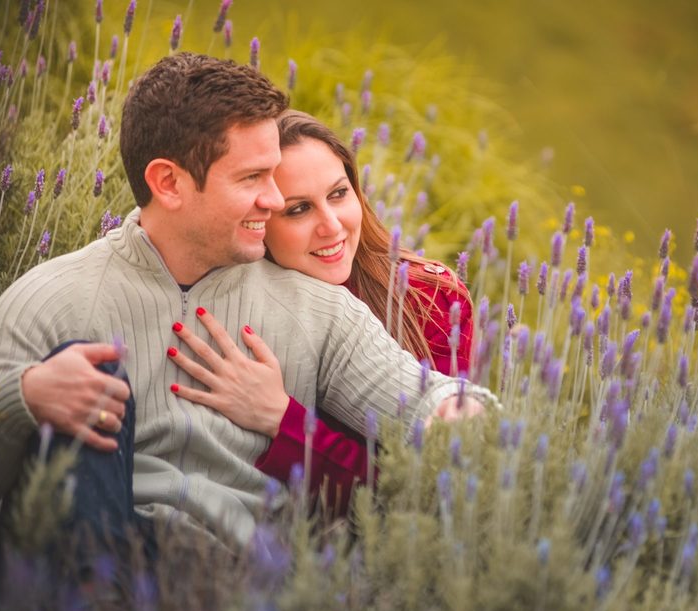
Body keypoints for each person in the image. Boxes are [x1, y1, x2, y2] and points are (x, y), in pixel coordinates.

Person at [0, 53, 492, 560]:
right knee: (86, 374)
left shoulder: (322, 313)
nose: (272, 199)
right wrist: (22, 397)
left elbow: (428, 399)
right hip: (84, 583)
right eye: (252, 179)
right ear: (169, 183)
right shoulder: (48, 301)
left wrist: (456, 416)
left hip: (239, 595)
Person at [167, 111, 473, 512]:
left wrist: (282, 419)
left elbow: (434, 489)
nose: (332, 226)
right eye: (298, 210)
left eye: (338, 194)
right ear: (257, 220)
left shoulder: (430, 299)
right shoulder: (231, 310)